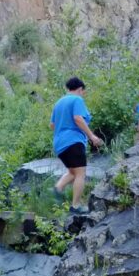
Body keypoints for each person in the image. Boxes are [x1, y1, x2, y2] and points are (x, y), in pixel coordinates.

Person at [51, 77, 103, 216]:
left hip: (59, 144)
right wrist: (92, 136)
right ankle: (76, 206)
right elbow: (78, 118)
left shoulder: (59, 103)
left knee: (73, 172)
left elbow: (52, 125)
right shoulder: (77, 100)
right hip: (73, 141)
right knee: (81, 174)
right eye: (83, 92)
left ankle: (58, 187)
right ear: (80, 89)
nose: (83, 94)